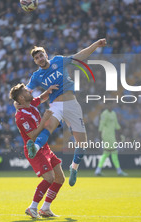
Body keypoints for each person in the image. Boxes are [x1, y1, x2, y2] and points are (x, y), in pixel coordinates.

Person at [25, 38, 107, 187]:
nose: (39, 59)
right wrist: (18, 99)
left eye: (41, 55)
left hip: (72, 104)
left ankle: (73, 168)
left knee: (82, 143)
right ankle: (35, 148)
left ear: (46, 55)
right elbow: (26, 92)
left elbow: (79, 56)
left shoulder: (59, 61)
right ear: (35, 62)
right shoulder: (36, 76)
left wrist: (95, 44)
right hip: (56, 105)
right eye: (36, 58)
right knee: (48, 127)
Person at [10, 83, 65, 218]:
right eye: (26, 91)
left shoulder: (31, 104)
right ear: (22, 98)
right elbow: (33, 135)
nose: (30, 92)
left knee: (60, 178)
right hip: (34, 149)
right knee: (50, 178)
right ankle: (32, 207)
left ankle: (45, 208)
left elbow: (41, 97)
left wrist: (49, 91)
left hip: (44, 146)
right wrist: (45, 120)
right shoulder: (21, 117)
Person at [95, 103, 128, 176]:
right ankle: (119, 171)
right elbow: (101, 125)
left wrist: (120, 131)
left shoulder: (113, 113)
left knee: (106, 153)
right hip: (106, 135)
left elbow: (116, 124)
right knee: (114, 151)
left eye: (111, 105)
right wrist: (99, 136)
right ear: (107, 106)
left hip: (112, 135)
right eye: (109, 105)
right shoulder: (104, 114)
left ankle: (98, 170)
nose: (110, 106)